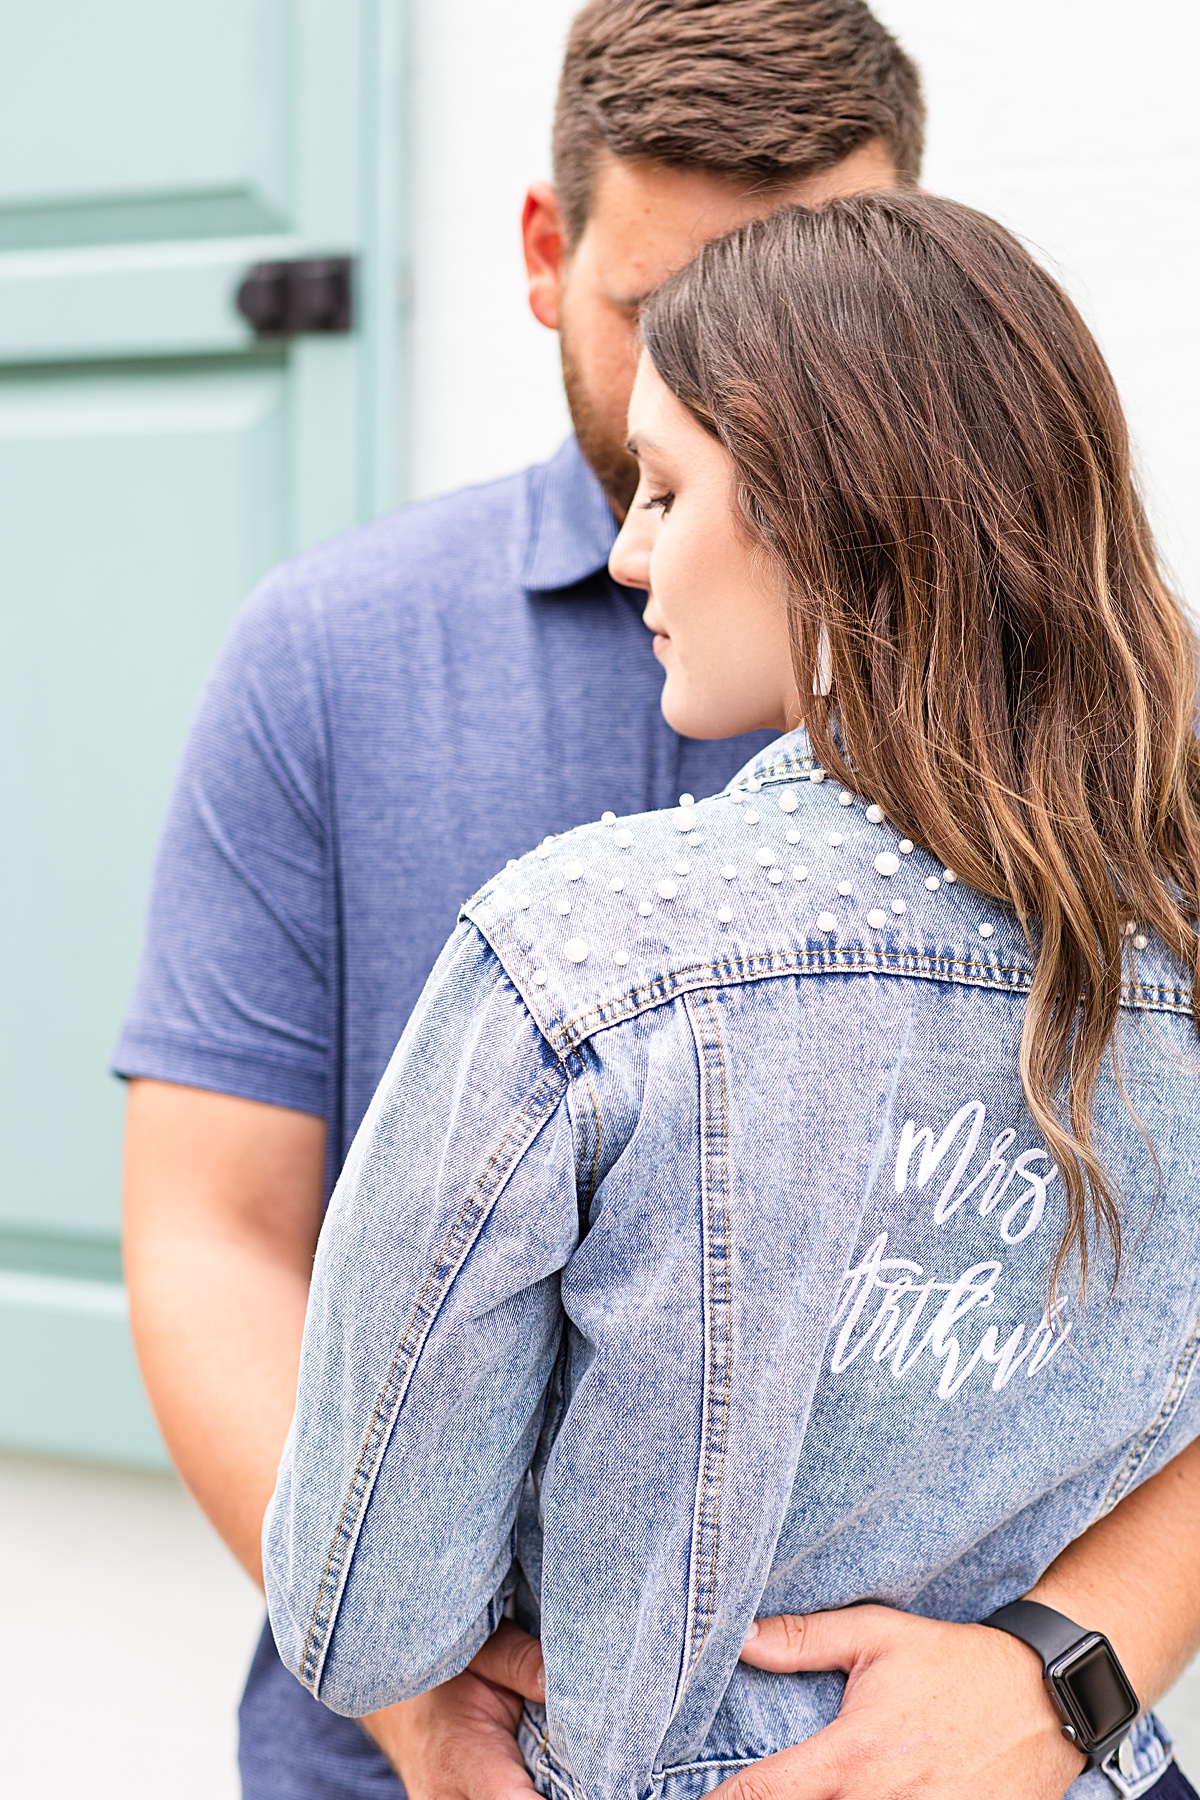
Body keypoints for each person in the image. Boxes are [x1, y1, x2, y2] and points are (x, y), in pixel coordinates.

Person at [263, 191, 1200, 1800]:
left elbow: (366, 1617)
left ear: (816, 515)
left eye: (668, 485)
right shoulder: (1173, 947)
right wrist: (1065, 1666)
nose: (629, 547)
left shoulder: (580, 961)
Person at [116, 5, 924, 1795]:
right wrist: (409, 1689)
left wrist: (1068, 1673)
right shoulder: (328, 657)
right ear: (548, 260)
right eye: (671, 316)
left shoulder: (1096, 709)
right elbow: (214, 1234)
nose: (748, 405)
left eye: (804, 310)